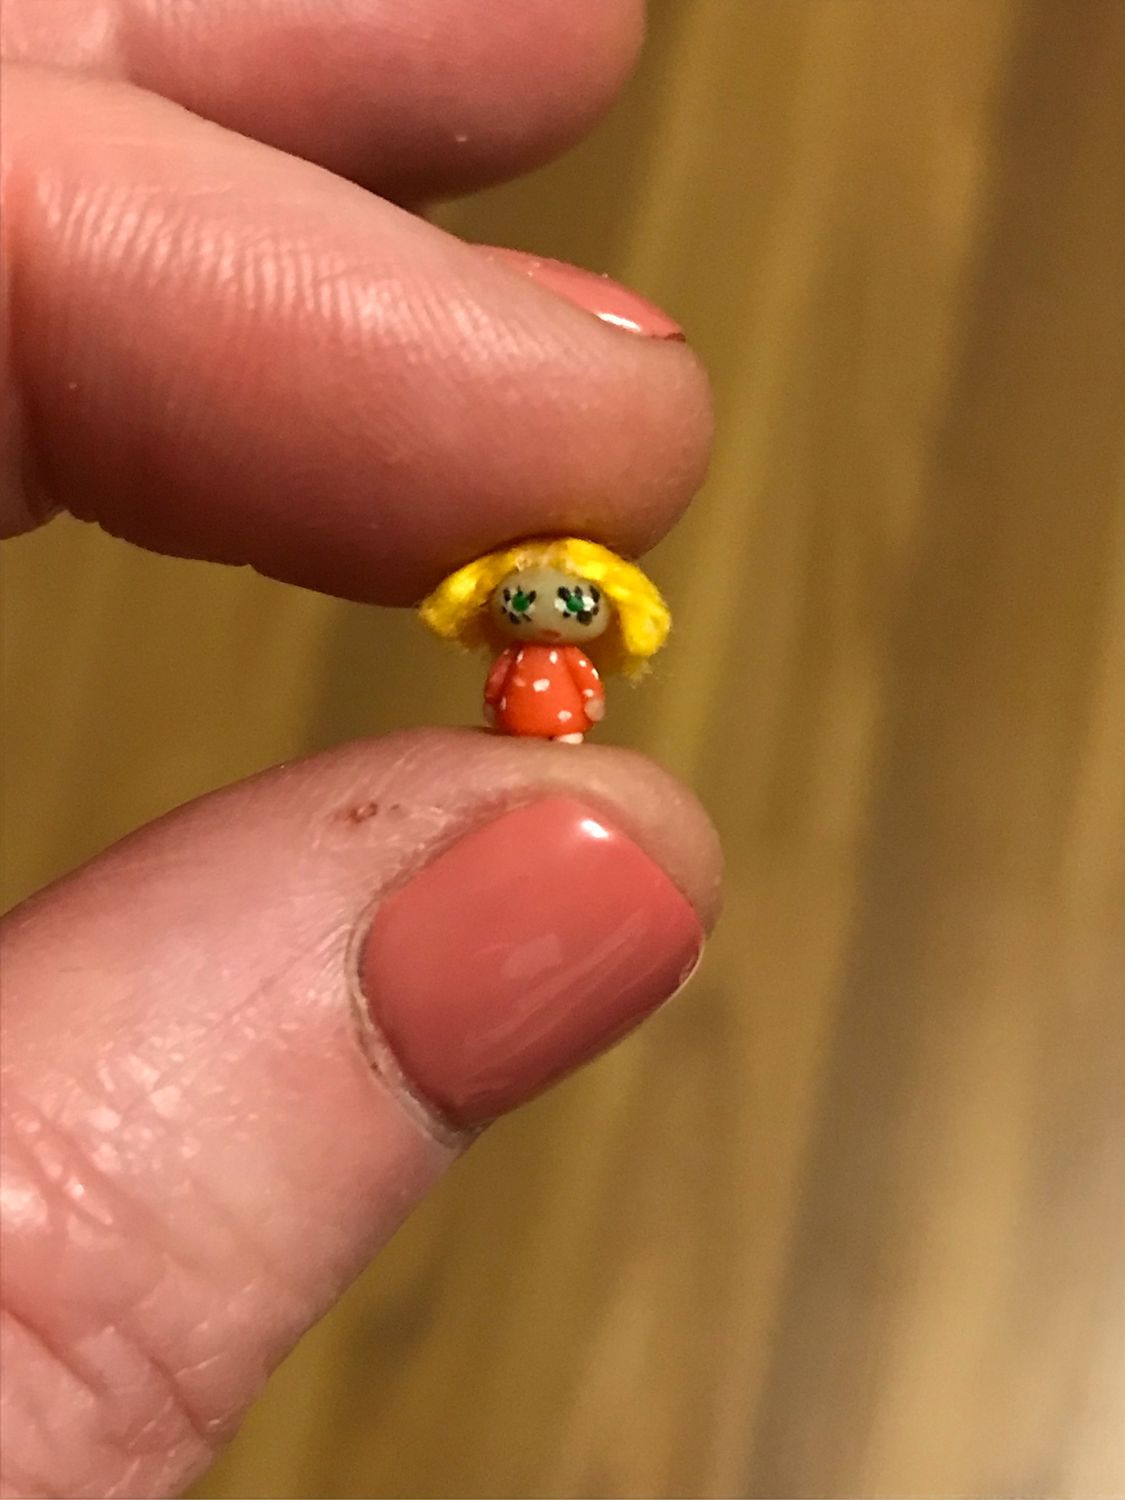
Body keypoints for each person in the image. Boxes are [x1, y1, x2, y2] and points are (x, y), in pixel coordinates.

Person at [0, 2, 722, 1494]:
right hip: (528, 729)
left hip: (548, 728)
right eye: (532, 598)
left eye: (568, 601)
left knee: (549, 764)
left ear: (606, 613)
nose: (547, 608)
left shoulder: (558, 657)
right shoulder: (518, 641)